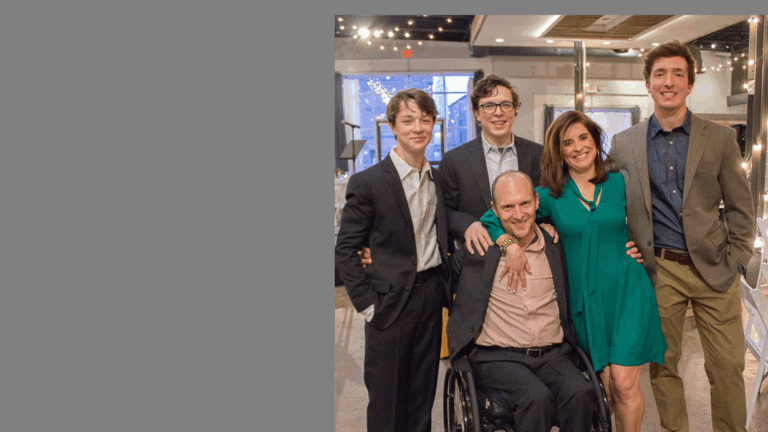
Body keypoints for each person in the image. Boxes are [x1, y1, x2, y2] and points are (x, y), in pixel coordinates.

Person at [480, 111, 667, 432]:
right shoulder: (550, 195)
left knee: (624, 384)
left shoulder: (621, 182)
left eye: (584, 138)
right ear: (559, 151)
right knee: (605, 389)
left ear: (595, 140)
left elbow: (650, 223)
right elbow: (494, 215)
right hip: (585, 300)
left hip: (627, 292)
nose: (578, 147)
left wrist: (640, 247)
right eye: (568, 142)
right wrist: (509, 244)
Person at [609, 40, 755, 432]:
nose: (668, 82)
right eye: (660, 74)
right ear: (648, 83)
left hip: (715, 268)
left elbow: (742, 208)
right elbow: (609, 202)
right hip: (659, 271)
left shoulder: (720, 138)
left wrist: (737, 259)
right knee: (662, 365)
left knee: (727, 366)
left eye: (677, 74)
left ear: (689, 85)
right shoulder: (624, 143)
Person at [335, 88, 452, 432]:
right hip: (387, 301)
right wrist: (367, 305)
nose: (418, 127)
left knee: (421, 395)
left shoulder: (438, 179)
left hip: (430, 296)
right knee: (387, 399)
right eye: (408, 120)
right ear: (392, 126)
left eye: (425, 120)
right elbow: (345, 249)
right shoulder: (369, 182)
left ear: (434, 125)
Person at [447, 170, 596, 432]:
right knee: (536, 399)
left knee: (581, 392)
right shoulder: (479, 250)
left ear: (537, 203)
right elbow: (440, 281)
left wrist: (633, 249)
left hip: (552, 355)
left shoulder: (555, 244)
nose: (518, 214)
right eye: (507, 207)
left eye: (525, 203)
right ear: (494, 210)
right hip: (497, 357)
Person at [439, 74, 544, 262]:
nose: (498, 112)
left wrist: (549, 225)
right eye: (488, 106)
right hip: (477, 263)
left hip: (530, 259)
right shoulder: (454, 160)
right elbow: (444, 211)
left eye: (505, 105)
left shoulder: (538, 155)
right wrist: (468, 225)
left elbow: (545, 201)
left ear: (514, 110)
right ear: (477, 113)